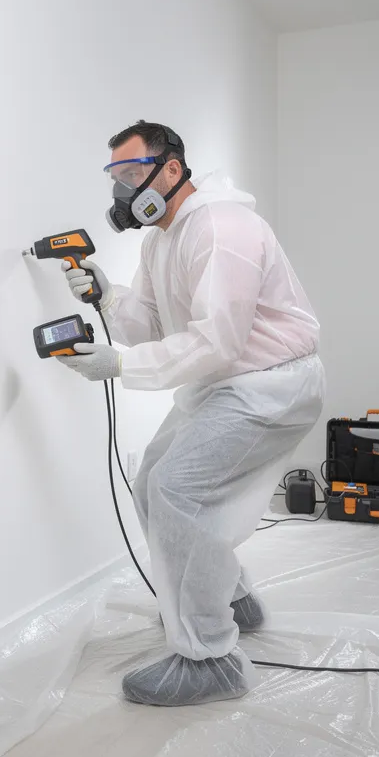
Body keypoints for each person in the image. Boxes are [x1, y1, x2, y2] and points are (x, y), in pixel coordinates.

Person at [55, 120, 325, 707]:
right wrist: (105, 295)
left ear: (171, 170)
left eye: (132, 175)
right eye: (116, 179)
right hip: (224, 383)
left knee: (179, 489)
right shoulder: (160, 238)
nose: (122, 194)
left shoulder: (224, 228)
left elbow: (219, 341)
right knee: (153, 480)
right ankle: (228, 597)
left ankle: (212, 659)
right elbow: (150, 323)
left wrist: (120, 367)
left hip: (268, 385)